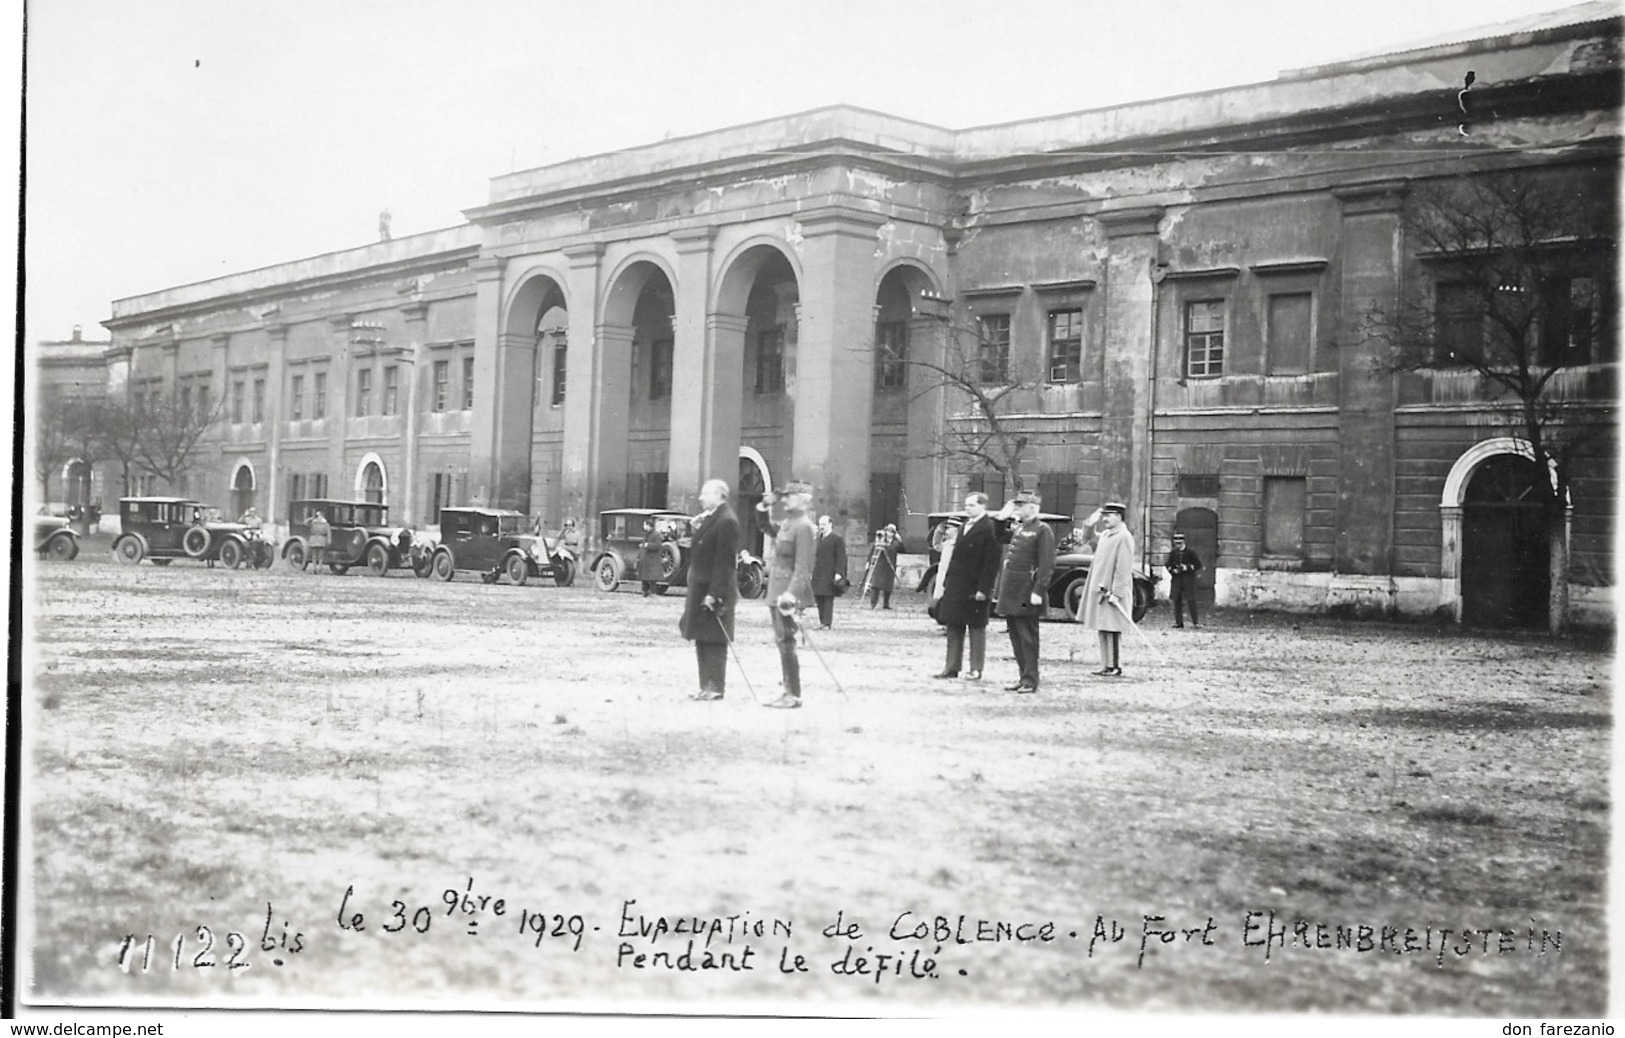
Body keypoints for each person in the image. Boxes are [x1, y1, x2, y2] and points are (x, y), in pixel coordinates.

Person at [679, 479, 741, 701]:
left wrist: (714, 594)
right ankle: (705, 686)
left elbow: (725, 563)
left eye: (705, 494)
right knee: (701, 637)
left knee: (714, 639)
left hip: (714, 591)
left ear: (718, 495)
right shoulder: (713, 518)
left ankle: (715, 687)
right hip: (702, 588)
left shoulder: (726, 521)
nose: (700, 498)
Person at [757, 480, 816, 709]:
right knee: (782, 641)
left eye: (790, 496)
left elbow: (804, 567)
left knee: (787, 641)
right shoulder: (789, 523)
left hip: (787, 594)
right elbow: (766, 527)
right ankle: (787, 690)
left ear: (803, 500)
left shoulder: (804, 527)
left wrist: (791, 595)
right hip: (776, 589)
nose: (785, 499)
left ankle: (794, 694)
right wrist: (763, 505)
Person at [932, 493, 1002, 682]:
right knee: (954, 625)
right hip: (957, 586)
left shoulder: (989, 528)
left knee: (976, 628)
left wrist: (984, 589)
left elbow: (991, 563)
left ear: (982, 506)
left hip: (975, 588)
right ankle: (951, 667)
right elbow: (956, 557)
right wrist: (947, 583)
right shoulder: (964, 526)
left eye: (971, 505)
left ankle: (976, 669)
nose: (967, 508)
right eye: (966, 505)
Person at [994, 490, 1056, 694]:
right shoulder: (1020, 528)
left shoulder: (1042, 530)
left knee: (1028, 637)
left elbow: (1047, 564)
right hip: (1012, 590)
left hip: (1027, 591)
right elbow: (999, 536)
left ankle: (1031, 680)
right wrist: (1001, 517)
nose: (1017, 509)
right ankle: (1023, 677)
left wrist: (1039, 589)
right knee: (1016, 636)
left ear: (1032, 507)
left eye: (1020, 506)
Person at [1077, 501, 1137, 676]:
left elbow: (1123, 568)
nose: (1104, 519)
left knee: (1113, 628)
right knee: (1102, 627)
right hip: (1101, 590)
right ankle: (1106, 664)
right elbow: (1087, 537)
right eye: (1103, 516)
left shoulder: (1124, 536)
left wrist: (1117, 593)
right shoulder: (1106, 535)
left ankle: (1115, 666)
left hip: (1112, 592)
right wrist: (1089, 523)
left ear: (1118, 517)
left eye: (1108, 516)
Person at [810, 515, 849, 629]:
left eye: (824, 524)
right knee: (819, 597)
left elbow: (841, 557)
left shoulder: (837, 539)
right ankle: (822, 622)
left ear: (830, 525)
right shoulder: (818, 539)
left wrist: (839, 573)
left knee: (827, 598)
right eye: (820, 525)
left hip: (830, 574)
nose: (822, 527)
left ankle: (827, 623)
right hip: (818, 573)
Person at [1165, 531, 1203, 629]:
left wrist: (1187, 567)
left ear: (1184, 542)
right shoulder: (1173, 552)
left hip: (1188, 580)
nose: (1178, 545)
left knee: (1191, 601)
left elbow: (1198, 565)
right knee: (1177, 601)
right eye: (1176, 543)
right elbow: (1168, 564)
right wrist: (1173, 570)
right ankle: (1179, 623)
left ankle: (1195, 622)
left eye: (1180, 543)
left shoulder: (1191, 552)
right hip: (1177, 580)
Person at [866, 524, 901, 609]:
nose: (889, 534)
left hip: (890, 565)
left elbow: (902, 549)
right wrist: (868, 561)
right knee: (875, 585)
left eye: (892, 532)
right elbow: (872, 551)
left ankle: (886, 604)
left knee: (888, 586)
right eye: (888, 531)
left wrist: (900, 540)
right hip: (880, 564)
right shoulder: (880, 540)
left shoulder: (895, 543)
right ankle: (873, 604)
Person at [638, 518, 665, 597]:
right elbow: (644, 544)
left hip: (652, 559)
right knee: (644, 576)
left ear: (648, 526)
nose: (643, 526)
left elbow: (658, 545)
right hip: (645, 559)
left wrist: (648, 545)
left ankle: (653, 592)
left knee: (652, 578)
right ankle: (644, 591)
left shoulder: (656, 535)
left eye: (644, 525)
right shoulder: (646, 534)